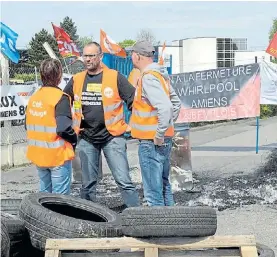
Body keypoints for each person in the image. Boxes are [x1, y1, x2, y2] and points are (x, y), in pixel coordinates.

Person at [63, 42, 140, 207]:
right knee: (88, 184)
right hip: (86, 138)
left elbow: (134, 101)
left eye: (92, 56)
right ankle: (88, 221)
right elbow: (63, 101)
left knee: (123, 181)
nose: (88, 59)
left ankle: (136, 215)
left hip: (112, 137)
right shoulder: (76, 80)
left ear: (100, 57)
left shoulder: (115, 77)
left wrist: (132, 124)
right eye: (85, 56)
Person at [129, 41, 181, 206]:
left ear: (137, 56)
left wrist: (159, 133)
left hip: (152, 142)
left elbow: (165, 108)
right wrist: (166, 128)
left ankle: (160, 230)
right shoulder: (160, 75)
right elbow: (176, 103)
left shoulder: (148, 77)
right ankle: (172, 227)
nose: (131, 57)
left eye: (132, 54)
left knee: (153, 192)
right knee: (164, 186)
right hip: (162, 139)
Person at [25, 58, 77, 194]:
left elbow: (28, 125)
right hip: (57, 156)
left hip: (39, 156)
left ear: (42, 76)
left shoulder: (34, 98)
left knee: (44, 197)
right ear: (59, 76)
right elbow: (63, 128)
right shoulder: (61, 97)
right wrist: (74, 139)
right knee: (60, 201)